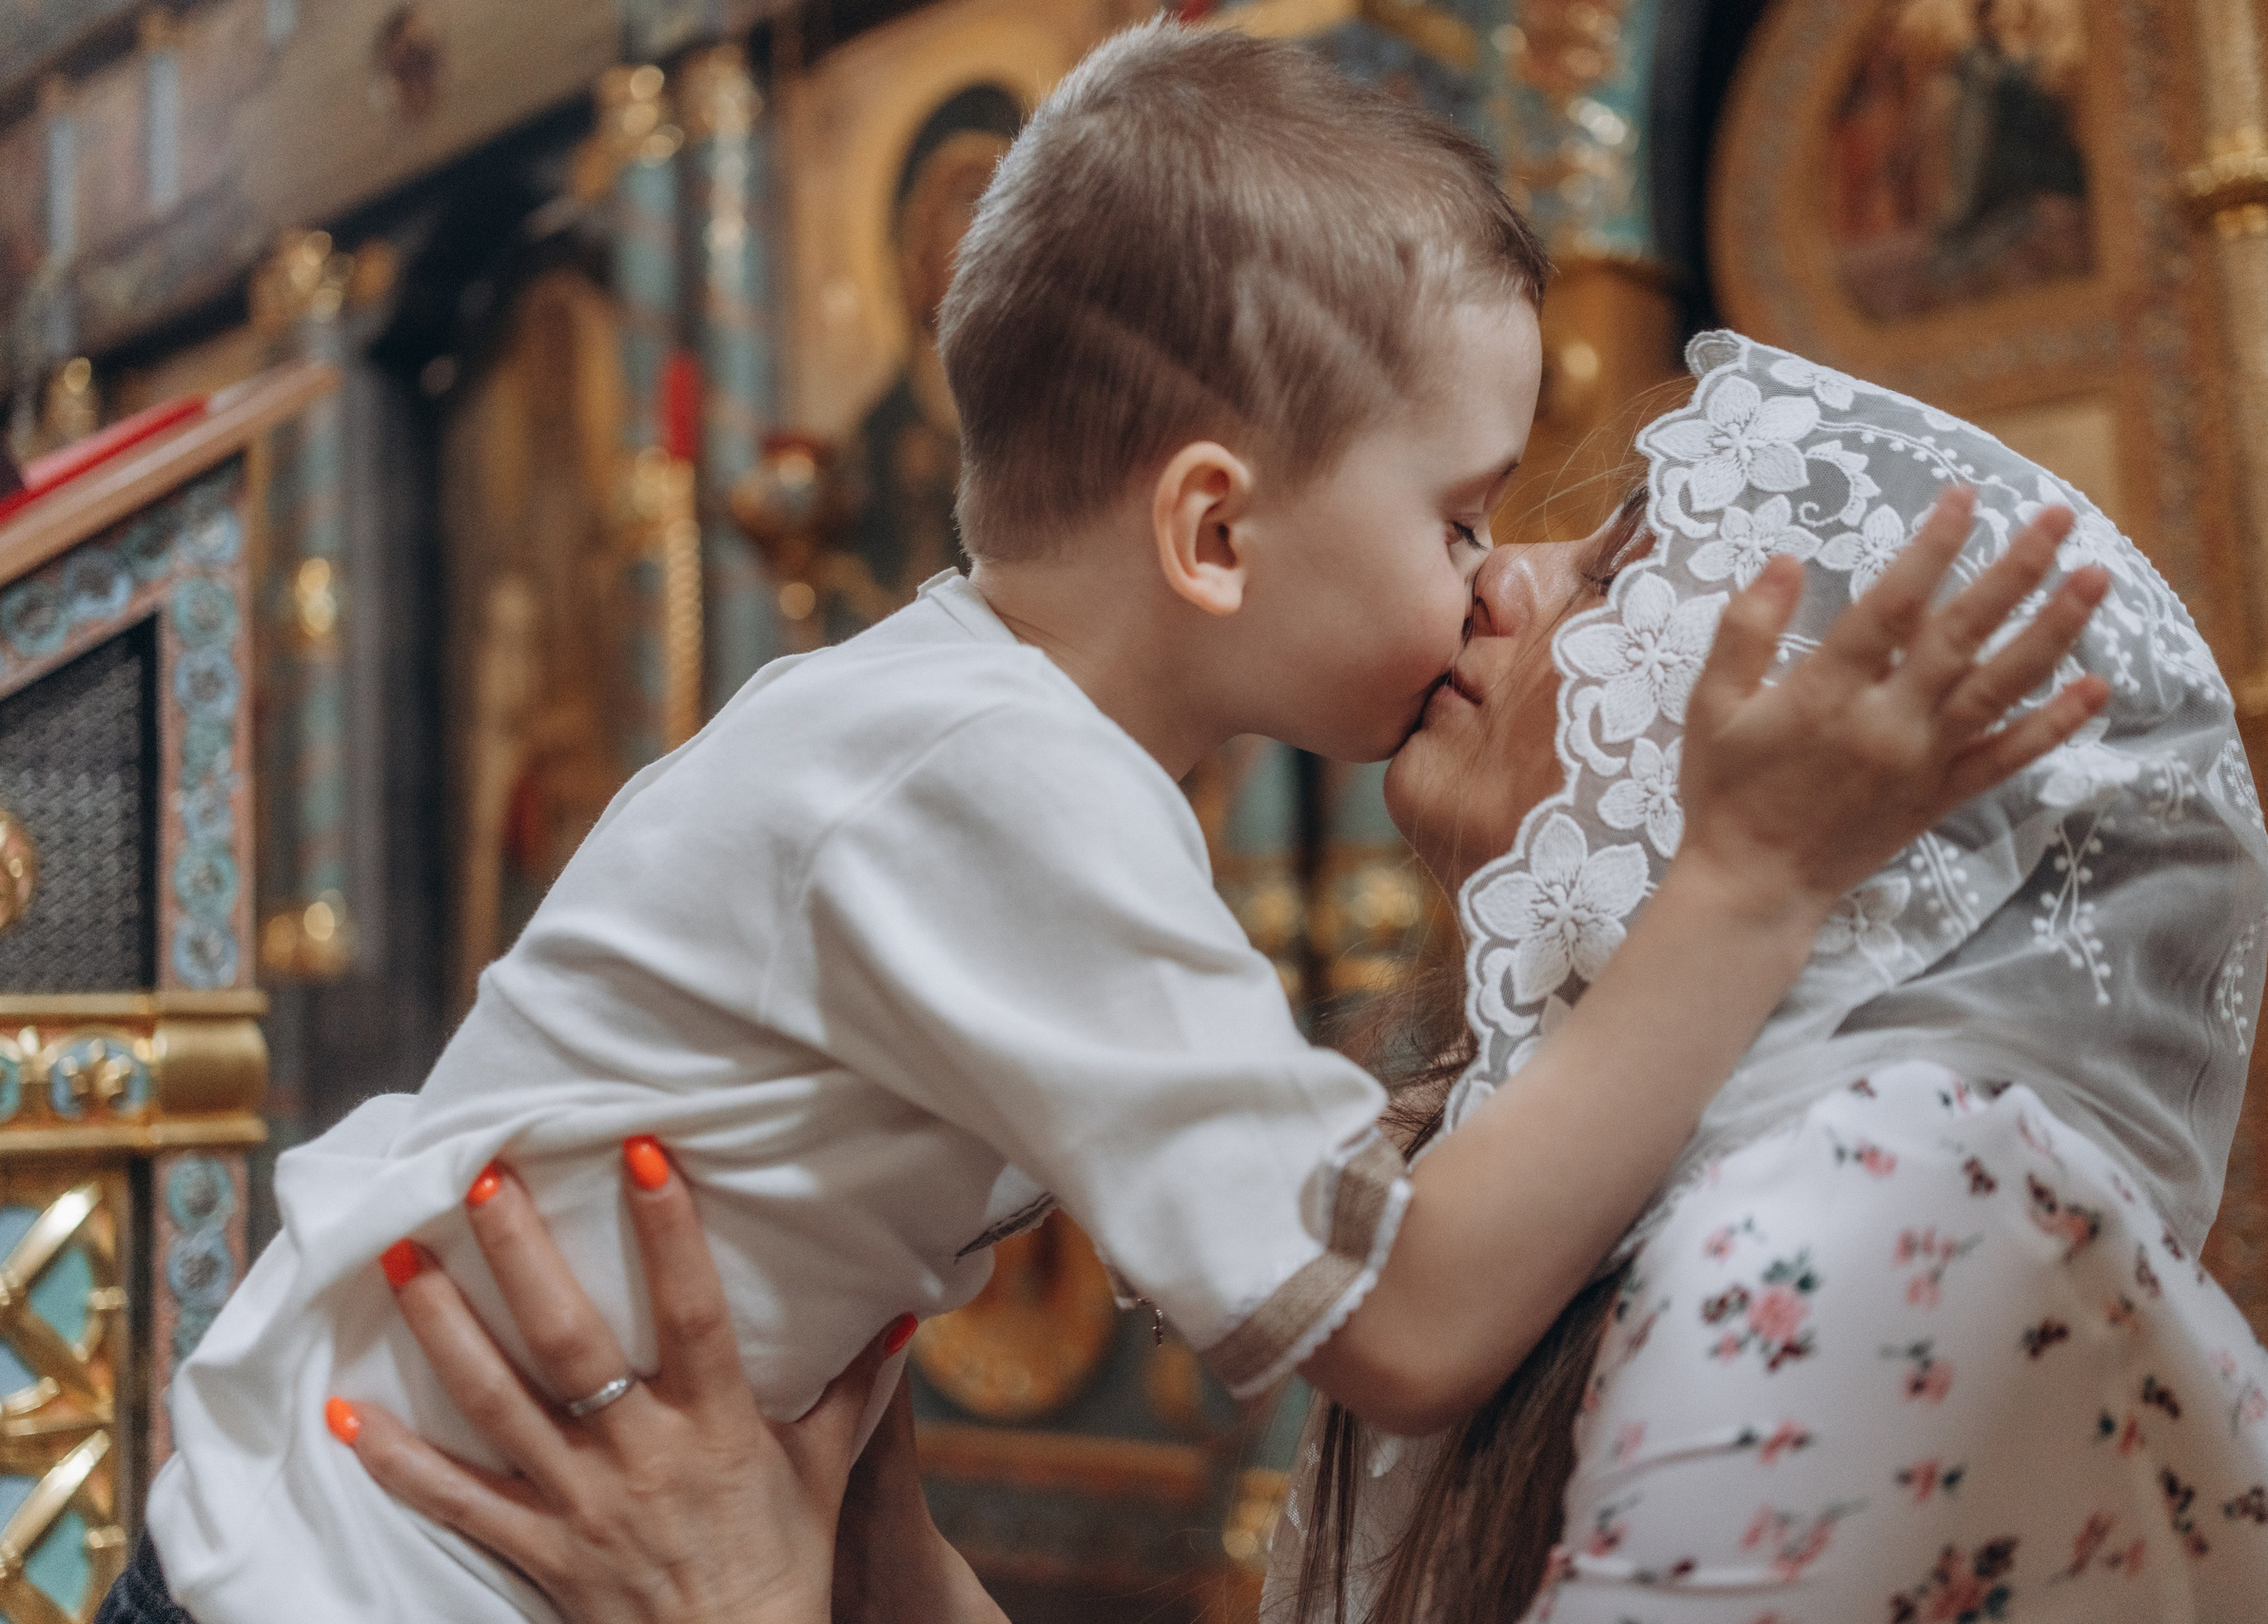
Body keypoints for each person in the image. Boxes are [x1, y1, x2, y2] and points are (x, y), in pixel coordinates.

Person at [122, 26, 2108, 1624]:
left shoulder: (949, 728)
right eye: (1457, 515)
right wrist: (1754, 873)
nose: (1486, 579)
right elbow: (1404, 1319)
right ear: (1216, 527)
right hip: (364, 1560)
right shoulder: (1000, 780)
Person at [348, 337, 2268, 1624]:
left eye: (1624, 568)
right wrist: (865, 1553)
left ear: (1864, 810)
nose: (1503, 578)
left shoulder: (1871, 1215)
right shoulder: (1567, 1190)